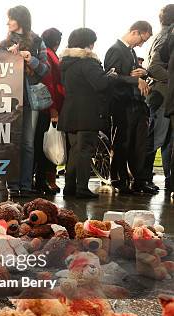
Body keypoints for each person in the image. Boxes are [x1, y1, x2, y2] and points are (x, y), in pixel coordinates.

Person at [59, 28, 136, 198]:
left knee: (74, 151)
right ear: (89, 43)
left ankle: (70, 186)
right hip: (87, 113)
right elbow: (100, 84)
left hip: (70, 112)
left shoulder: (67, 63)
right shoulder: (87, 62)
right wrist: (112, 75)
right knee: (85, 150)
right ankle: (82, 188)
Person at [0, 5, 50, 198]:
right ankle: (12, 185)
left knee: (28, 144)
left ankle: (26, 185)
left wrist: (30, 59)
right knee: (12, 143)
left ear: (20, 19)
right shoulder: (3, 43)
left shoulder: (37, 41)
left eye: (11, 18)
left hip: (30, 100)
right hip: (9, 100)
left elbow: (46, 70)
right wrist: (7, 58)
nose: (8, 22)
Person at [105, 21, 153, 194]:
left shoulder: (131, 52)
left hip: (136, 104)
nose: (141, 44)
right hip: (122, 104)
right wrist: (134, 79)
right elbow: (110, 76)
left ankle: (137, 179)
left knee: (138, 143)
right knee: (122, 142)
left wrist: (143, 72)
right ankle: (119, 178)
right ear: (135, 32)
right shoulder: (115, 49)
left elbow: (128, 73)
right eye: (142, 40)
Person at [145, 5, 174, 192]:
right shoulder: (166, 37)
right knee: (156, 140)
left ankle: (168, 179)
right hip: (163, 97)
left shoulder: (164, 35)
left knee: (166, 142)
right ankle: (144, 178)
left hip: (164, 96)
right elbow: (154, 67)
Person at [34, 28, 64, 195]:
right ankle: (41, 181)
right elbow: (49, 83)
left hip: (47, 105)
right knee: (43, 144)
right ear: (57, 41)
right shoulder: (49, 55)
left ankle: (41, 180)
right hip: (48, 106)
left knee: (41, 143)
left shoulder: (47, 54)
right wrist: (52, 108)